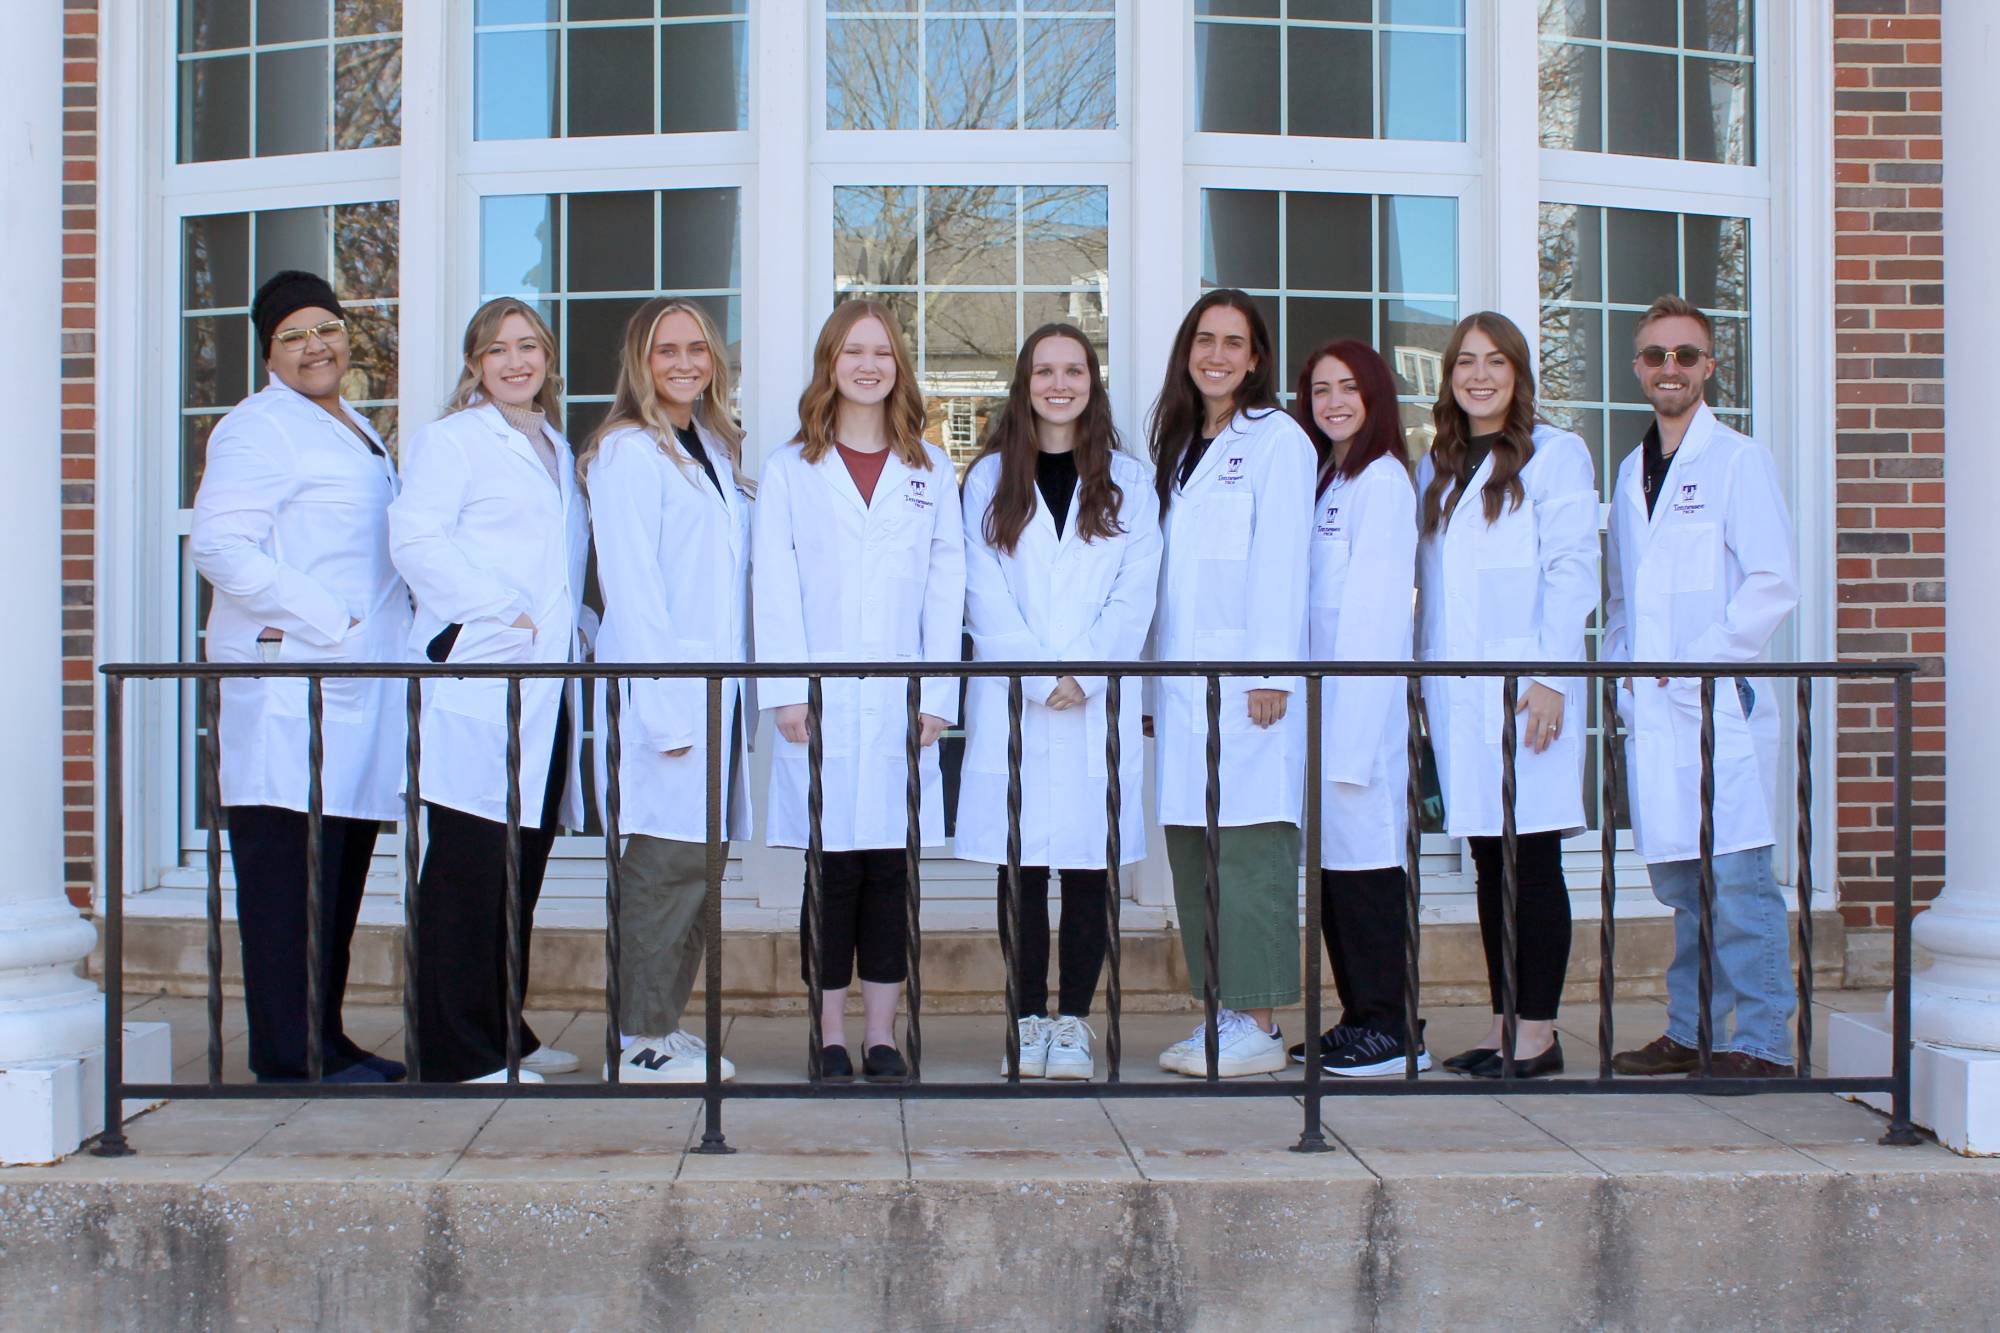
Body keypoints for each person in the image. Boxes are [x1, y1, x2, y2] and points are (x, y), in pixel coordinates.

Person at [189, 269, 411, 1084]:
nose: (315, 344)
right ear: (269, 350)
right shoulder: (257, 428)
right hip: (293, 689)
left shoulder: (352, 423)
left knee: (335, 875)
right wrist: (332, 621)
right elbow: (218, 546)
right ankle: (288, 1052)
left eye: (326, 327)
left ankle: (326, 1033)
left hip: (349, 693)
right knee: (287, 882)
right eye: (293, 334)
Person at [753, 300, 966, 1084]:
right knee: (830, 870)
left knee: (890, 868)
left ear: (898, 366)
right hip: (820, 696)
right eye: (853, 352)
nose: (869, 365)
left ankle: (882, 1036)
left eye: (882, 352)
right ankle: (831, 1036)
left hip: (902, 700)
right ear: (830, 365)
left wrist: (938, 693)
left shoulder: (929, 468)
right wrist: (785, 689)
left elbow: (949, 585)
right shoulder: (790, 468)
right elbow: (773, 584)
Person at [388, 298, 589, 1084]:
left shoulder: (552, 443)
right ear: (475, 363)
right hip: (484, 674)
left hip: (545, 685)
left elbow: (557, 568)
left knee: (520, 869)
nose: (516, 361)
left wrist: (580, 623)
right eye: (498, 349)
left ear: (547, 358)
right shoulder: (452, 442)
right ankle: (456, 1047)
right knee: (468, 872)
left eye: (529, 346)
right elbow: (414, 539)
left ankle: (506, 1026)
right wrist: (495, 611)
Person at [957, 323, 1162, 1081]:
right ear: (1025, 382)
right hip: (1018, 701)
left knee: (1086, 866)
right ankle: (1024, 1018)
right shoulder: (986, 481)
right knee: (1022, 867)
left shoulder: (1130, 483)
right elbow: (980, 593)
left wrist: (1087, 674)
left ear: (1091, 383)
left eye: (1073, 370)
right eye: (1044, 370)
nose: (1059, 384)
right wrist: (1044, 677)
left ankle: (1071, 1020)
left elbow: (1136, 592)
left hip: (1096, 703)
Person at [1604, 294, 1801, 1079]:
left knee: (1741, 885)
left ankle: (1759, 1041)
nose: (1670, 369)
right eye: (1656, 356)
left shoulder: (1737, 459)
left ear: (1709, 366)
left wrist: (1702, 660)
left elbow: (1771, 582)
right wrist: (1624, 669)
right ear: (1637, 369)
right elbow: (1623, 595)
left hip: (1720, 701)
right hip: (1656, 709)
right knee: (1687, 885)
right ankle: (1689, 1030)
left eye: (1686, 355)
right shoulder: (1630, 472)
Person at [1415, 311, 1598, 1080]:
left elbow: (1572, 567)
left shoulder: (1558, 455)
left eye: (1495, 362)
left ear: (1519, 373)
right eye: (1465, 362)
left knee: (1532, 856)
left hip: (1528, 691)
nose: (1479, 375)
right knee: (1491, 859)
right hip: (1460, 693)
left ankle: (1538, 1035)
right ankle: (1505, 1023)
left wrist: (1552, 675)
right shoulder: (1441, 465)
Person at [579, 298, 752, 1084]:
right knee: (660, 863)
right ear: (639, 363)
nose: (684, 363)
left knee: (700, 864)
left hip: (716, 685)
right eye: (665, 351)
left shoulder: (712, 444)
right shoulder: (626, 452)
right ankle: (638, 1036)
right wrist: (661, 708)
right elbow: (633, 588)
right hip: (667, 688)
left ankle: (665, 1022)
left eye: (696, 349)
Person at [1144, 290, 1316, 1079]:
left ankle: (1261, 1018)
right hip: (1183, 683)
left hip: (1250, 683)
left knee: (1250, 848)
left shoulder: (1278, 439)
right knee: (1194, 845)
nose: (1217, 354)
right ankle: (1219, 1007)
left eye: (1233, 343)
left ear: (1256, 358)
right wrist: (1151, 690)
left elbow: (1283, 557)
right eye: (1204, 340)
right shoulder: (1178, 442)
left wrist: (1273, 669)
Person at [1285, 339, 1427, 1077]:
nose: (1333, 401)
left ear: (1375, 396)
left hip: (1357, 714)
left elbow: (1375, 615)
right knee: (1336, 874)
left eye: (1348, 388)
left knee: (1370, 870)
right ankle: (1358, 1016)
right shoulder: (1327, 478)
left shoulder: (1383, 482)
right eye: (1319, 389)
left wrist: (1351, 732)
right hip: (1320, 709)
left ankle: (1395, 1023)